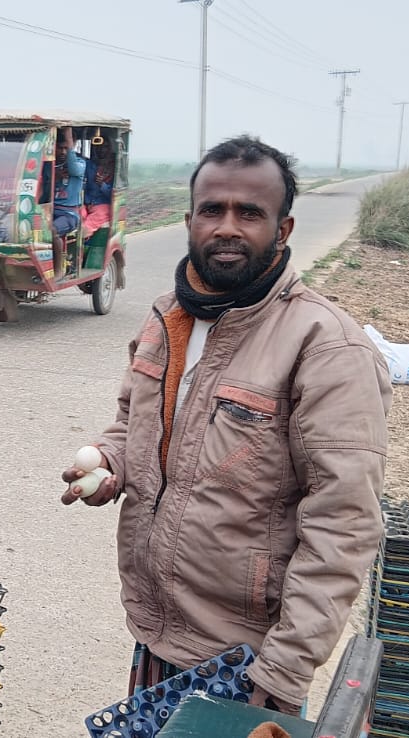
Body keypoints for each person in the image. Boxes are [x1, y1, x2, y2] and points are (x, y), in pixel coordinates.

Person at [59, 135, 391, 715]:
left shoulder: (327, 347)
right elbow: (130, 421)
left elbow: (344, 524)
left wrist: (287, 667)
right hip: (159, 629)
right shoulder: (169, 317)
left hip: (247, 659)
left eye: (250, 213)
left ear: (282, 229)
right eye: (213, 210)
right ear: (190, 220)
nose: (227, 227)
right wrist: (111, 461)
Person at [51, 127, 86, 275]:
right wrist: (54, 174)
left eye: (67, 148)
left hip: (69, 215)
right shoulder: (50, 165)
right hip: (50, 211)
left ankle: (58, 269)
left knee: (52, 230)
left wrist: (70, 141)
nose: (64, 152)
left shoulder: (80, 163)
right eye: (60, 148)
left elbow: (73, 170)